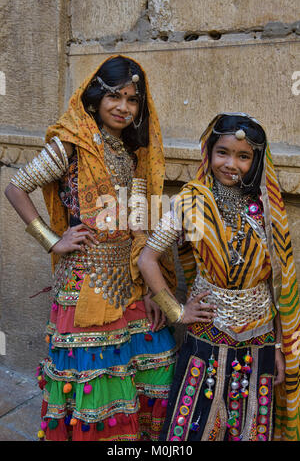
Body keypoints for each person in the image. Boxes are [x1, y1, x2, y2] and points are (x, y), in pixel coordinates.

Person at [5, 55, 177, 441]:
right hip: (84, 284)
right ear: (96, 97)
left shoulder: (131, 154)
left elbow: (136, 223)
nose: (123, 107)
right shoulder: (72, 145)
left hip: (128, 280)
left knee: (152, 365)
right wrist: (53, 239)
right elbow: (16, 187)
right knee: (95, 385)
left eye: (133, 100)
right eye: (115, 96)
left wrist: (151, 287)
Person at [138, 112, 300, 441]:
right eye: (222, 153)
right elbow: (147, 259)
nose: (231, 164)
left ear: (256, 161)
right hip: (208, 333)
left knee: (251, 424)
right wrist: (177, 312)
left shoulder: (268, 209)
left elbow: (279, 286)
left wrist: (282, 348)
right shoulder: (189, 203)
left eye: (243, 157)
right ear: (208, 153)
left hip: (261, 338)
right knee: (194, 424)